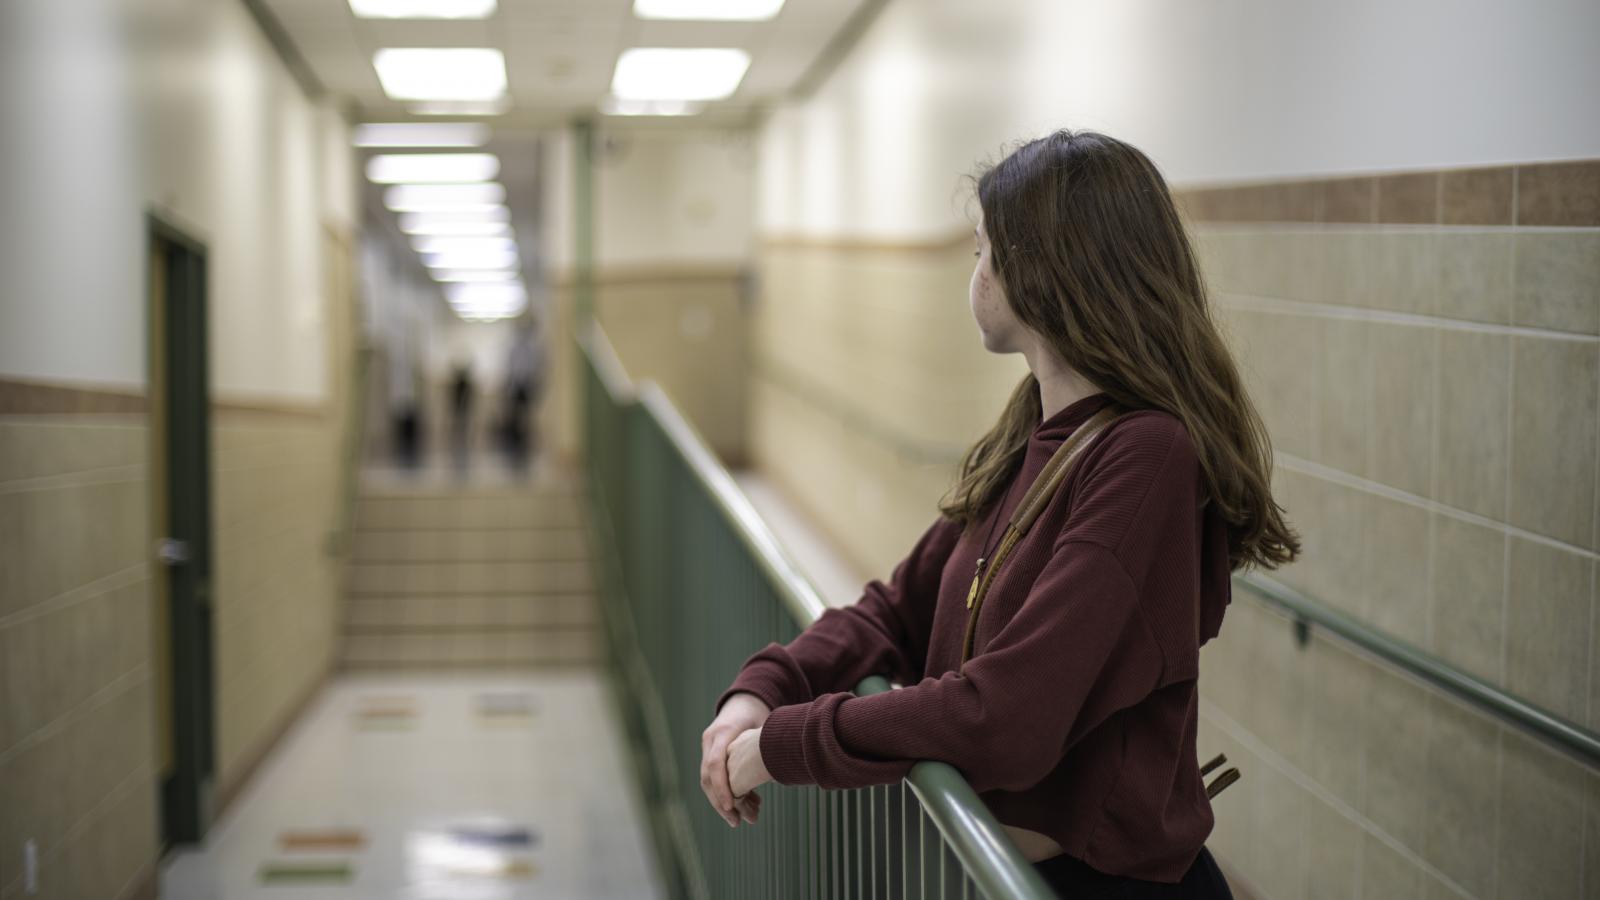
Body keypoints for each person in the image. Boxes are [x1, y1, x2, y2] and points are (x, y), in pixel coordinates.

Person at [700, 130, 1300, 897]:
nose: (975, 273)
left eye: (983, 251)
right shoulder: (1034, 432)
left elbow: (1009, 718)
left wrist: (783, 745)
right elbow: (895, 612)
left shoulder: (1147, 457)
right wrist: (766, 686)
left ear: (1042, 270)